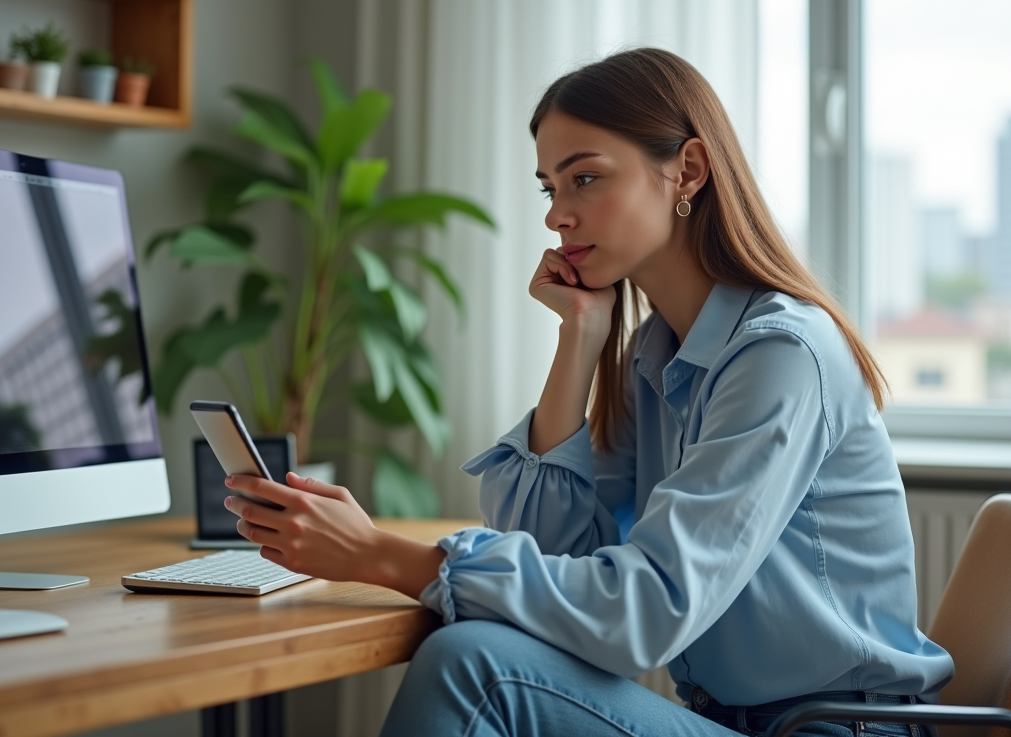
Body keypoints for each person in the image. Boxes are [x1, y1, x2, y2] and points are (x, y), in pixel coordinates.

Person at [222, 48, 954, 737]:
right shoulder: (657, 355)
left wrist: (383, 556)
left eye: (586, 178)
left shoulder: (781, 356)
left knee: (474, 668)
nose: (555, 215)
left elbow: (647, 609)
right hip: (735, 720)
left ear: (688, 171)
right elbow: (550, 550)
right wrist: (580, 340)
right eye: (549, 187)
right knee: (478, 650)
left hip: (839, 729)